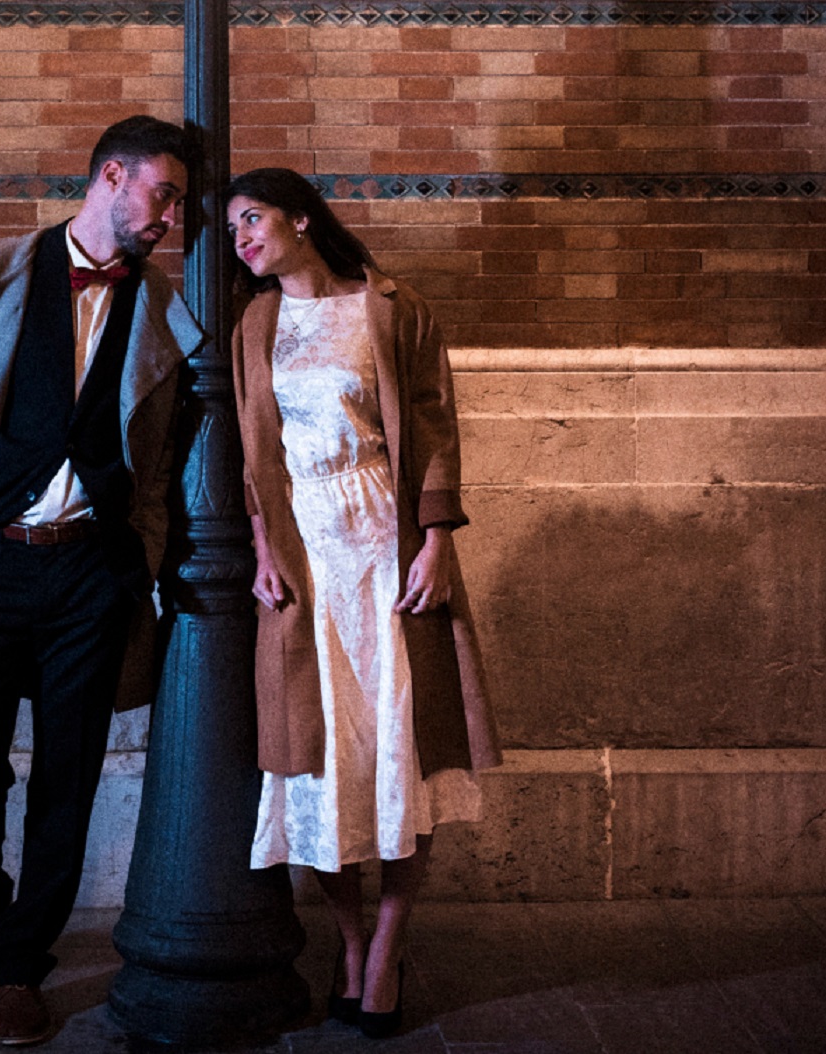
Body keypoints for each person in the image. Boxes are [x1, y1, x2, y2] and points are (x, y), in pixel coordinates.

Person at [0, 116, 202, 1047]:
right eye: (164, 194)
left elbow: (155, 460)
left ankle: (24, 961)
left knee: (69, 778)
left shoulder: (167, 308)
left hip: (90, 576)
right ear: (113, 177)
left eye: (180, 201)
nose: (172, 218)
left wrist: (138, 560)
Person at [225, 168, 502, 1039]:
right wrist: (264, 552)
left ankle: (386, 948)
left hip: (385, 544)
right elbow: (251, 456)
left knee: (401, 754)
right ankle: (348, 942)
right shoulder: (255, 322)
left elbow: (435, 426)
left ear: (301, 219)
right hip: (306, 559)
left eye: (253, 218)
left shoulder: (391, 305)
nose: (241, 236)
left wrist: (438, 539)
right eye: (231, 227)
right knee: (318, 765)